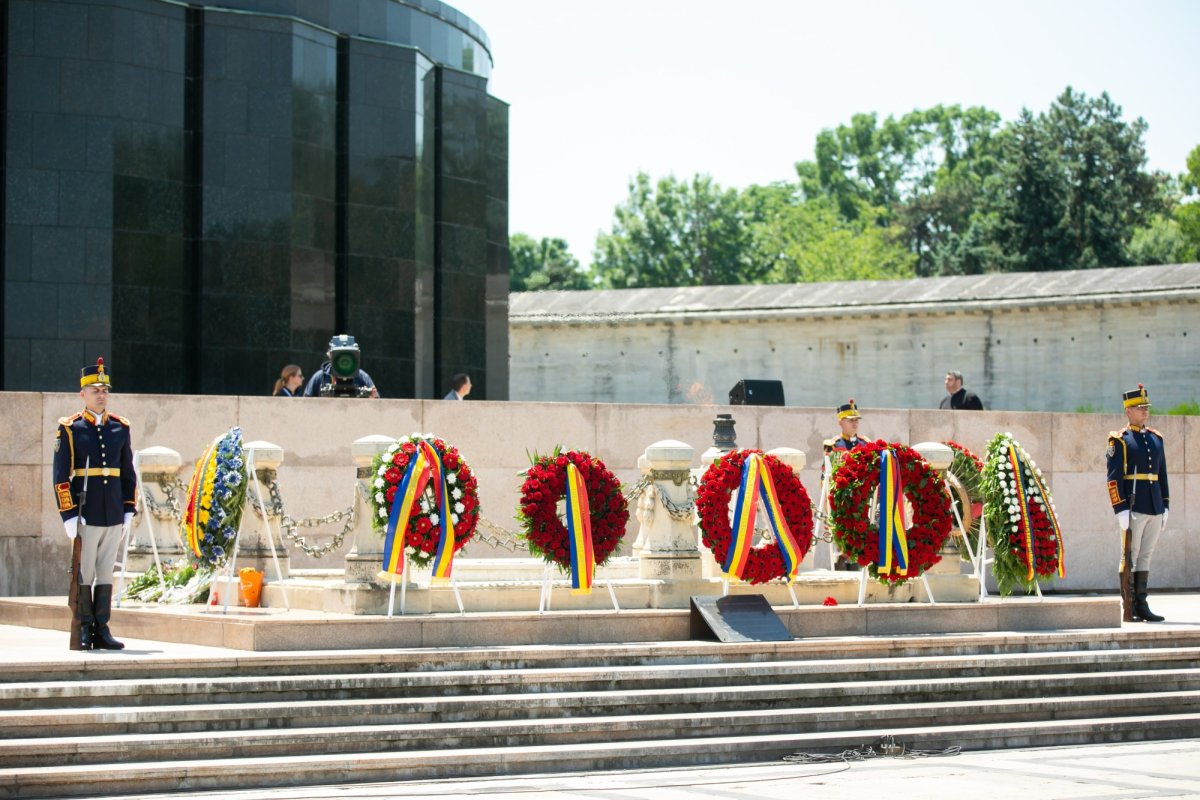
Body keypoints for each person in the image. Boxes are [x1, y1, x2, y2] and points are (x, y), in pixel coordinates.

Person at [52, 358, 136, 650]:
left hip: (112, 511)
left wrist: (128, 508)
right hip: (85, 513)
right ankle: (85, 627)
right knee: (84, 573)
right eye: (95, 390)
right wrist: (68, 514)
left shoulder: (120, 428)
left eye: (104, 390)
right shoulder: (70, 428)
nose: (101, 395)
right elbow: (60, 477)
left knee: (105, 573)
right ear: (83, 394)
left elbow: (127, 473)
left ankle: (102, 629)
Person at [1106, 383, 1169, 622]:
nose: (1145, 411)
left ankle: (1142, 604)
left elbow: (1162, 475)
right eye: (1139, 408)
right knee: (1129, 555)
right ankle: (1129, 605)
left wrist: (1165, 505)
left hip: (1154, 505)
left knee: (1146, 555)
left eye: (1146, 407)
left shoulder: (1156, 438)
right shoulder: (1120, 440)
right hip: (1133, 506)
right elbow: (1113, 478)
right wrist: (1120, 508)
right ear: (1128, 411)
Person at [302, 334, 379, 398]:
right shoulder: (320, 377)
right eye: (339, 356)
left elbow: (376, 401)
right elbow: (306, 401)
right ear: (330, 355)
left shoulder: (362, 377)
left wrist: (372, 397)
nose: (344, 362)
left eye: (348, 355)